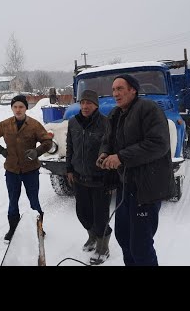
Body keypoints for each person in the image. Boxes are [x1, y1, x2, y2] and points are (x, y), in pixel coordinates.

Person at [97, 74, 174, 266]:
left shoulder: (148, 109)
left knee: (140, 244)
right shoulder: (115, 114)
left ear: (133, 90)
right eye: (113, 89)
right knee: (123, 237)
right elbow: (107, 141)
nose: (115, 93)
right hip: (125, 186)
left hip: (146, 187)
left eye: (120, 88)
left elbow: (158, 144)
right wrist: (105, 154)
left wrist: (121, 157)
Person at [0, 95, 52, 242]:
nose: (18, 109)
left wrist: (37, 152)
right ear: (12, 108)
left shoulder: (34, 125)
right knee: (13, 201)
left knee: (34, 201)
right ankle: (13, 229)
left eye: (21, 106)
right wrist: (1, 151)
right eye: (15, 107)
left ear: (26, 108)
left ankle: (39, 229)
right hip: (12, 171)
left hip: (31, 171)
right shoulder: (5, 125)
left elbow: (48, 142)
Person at [66, 90, 112, 265]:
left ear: (96, 106)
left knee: (100, 216)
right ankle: (92, 237)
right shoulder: (73, 123)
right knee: (83, 213)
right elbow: (70, 147)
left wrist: (111, 177)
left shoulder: (106, 123)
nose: (85, 106)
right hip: (79, 177)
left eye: (89, 103)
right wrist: (69, 168)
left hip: (100, 178)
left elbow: (111, 149)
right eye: (82, 102)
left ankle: (103, 246)